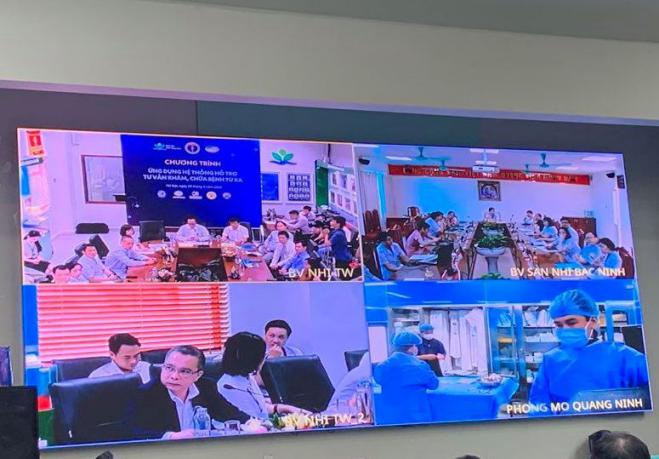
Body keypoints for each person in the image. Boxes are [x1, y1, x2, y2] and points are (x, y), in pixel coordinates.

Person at [529, 290, 648, 407]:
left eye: (571, 322)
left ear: (593, 321)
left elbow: (650, 398)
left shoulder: (627, 357)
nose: (565, 329)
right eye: (559, 325)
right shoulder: (551, 360)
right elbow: (539, 405)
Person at [132, 345, 249, 440]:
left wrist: (254, 425)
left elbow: (231, 414)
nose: (174, 376)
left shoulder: (205, 387)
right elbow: (130, 431)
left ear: (198, 375)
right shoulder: (146, 393)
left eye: (184, 371)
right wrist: (171, 436)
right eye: (169, 368)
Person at [218, 332, 307, 419]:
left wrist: (286, 408)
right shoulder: (230, 387)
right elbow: (252, 421)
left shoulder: (247, 377)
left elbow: (259, 409)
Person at [373, 332, 438, 424]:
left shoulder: (382, 365)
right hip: (415, 416)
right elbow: (434, 384)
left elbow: (378, 380)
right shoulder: (420, 365)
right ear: (412, 348)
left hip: (390, 415)